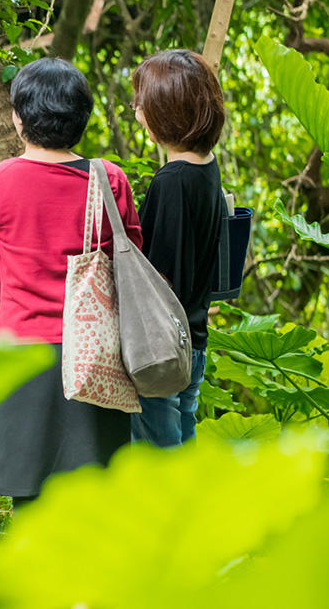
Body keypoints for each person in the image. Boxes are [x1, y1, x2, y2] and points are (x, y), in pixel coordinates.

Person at [0, 57, 143, 508]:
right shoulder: (110, 180)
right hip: (98, 354)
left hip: (23, 356)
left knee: (30, 498)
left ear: (19, 117)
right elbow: (134, 268)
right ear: (81, 119)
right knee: (95, 501)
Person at [129, 49, 225, 447]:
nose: (137, 111)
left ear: (167, 112)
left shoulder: (172, 181)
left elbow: (158, 279)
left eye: (143, 102)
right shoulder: (207, 169)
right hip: (193, 342)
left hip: (161, 354)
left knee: (160, 469)